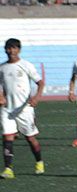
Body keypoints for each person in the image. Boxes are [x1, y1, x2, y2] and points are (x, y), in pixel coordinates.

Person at [0, 38, 45, 178]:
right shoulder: (2, 67)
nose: (11, 51)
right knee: (7, 138)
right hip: (7, 110)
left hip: (24, 109)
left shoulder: (26, 65)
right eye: (8, 48)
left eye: (14, 48)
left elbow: (40, 82)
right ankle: (8, 169)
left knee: (30, 138)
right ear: (5, 50)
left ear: (19, 50)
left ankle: (39, 161)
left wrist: (37, 97)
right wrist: (1, 96)